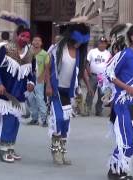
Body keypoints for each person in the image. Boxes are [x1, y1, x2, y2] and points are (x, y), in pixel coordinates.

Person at [101, 24, 133, 179]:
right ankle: (114, 172)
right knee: (125, 139)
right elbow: (108, 72)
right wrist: (126, 87)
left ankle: (120, 170)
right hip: (122, 103)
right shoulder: (125, 54)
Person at [0, 12, 35, 163]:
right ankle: (3, 149)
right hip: (5, 93)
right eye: (22, 36)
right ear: (16, 35)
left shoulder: (29, 54)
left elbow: (31, 73)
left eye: (27, 37)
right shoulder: (5, 49)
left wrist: (31, 83)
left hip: (20, 95)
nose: (24, 39)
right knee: (8, 120)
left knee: (16, 122)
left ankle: (10, 148)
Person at [46, 23, 90, 165]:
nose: (79, 44)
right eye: (77, 41)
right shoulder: (58, 48)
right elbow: (48, 66)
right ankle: (55, 151)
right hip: (56, 89)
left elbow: (81, 71)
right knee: (58, 119)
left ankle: (63, 152)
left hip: (69, 91)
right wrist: (47, 84)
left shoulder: (79, 53)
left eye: (81, 43)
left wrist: (87, 86)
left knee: (66, 122)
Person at [83, 36, 112, 116]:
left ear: (106, 45)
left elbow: (110, 65)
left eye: (104, 43)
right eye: (101, 43)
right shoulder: (92, 52)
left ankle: (99, 110)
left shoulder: (108, 53)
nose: (102, 45)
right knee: (90, 92)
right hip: (93, 76)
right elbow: (87, 63)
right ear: (98, 43)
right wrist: (89, 73)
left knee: (102, 94)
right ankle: (87, 109)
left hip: (103, 77)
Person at [26, 34, 50, 126]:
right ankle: (34, 118)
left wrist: (43, 78)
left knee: (40, 98)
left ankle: (44, 119)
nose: (36, 42)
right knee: (31, 98)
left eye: (38, 41)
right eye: (34, 40)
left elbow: (47, 68)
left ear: (41, 43)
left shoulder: (44, 54)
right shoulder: (28, 52)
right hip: (29, 78)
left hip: (39, 78)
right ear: (32, 42)